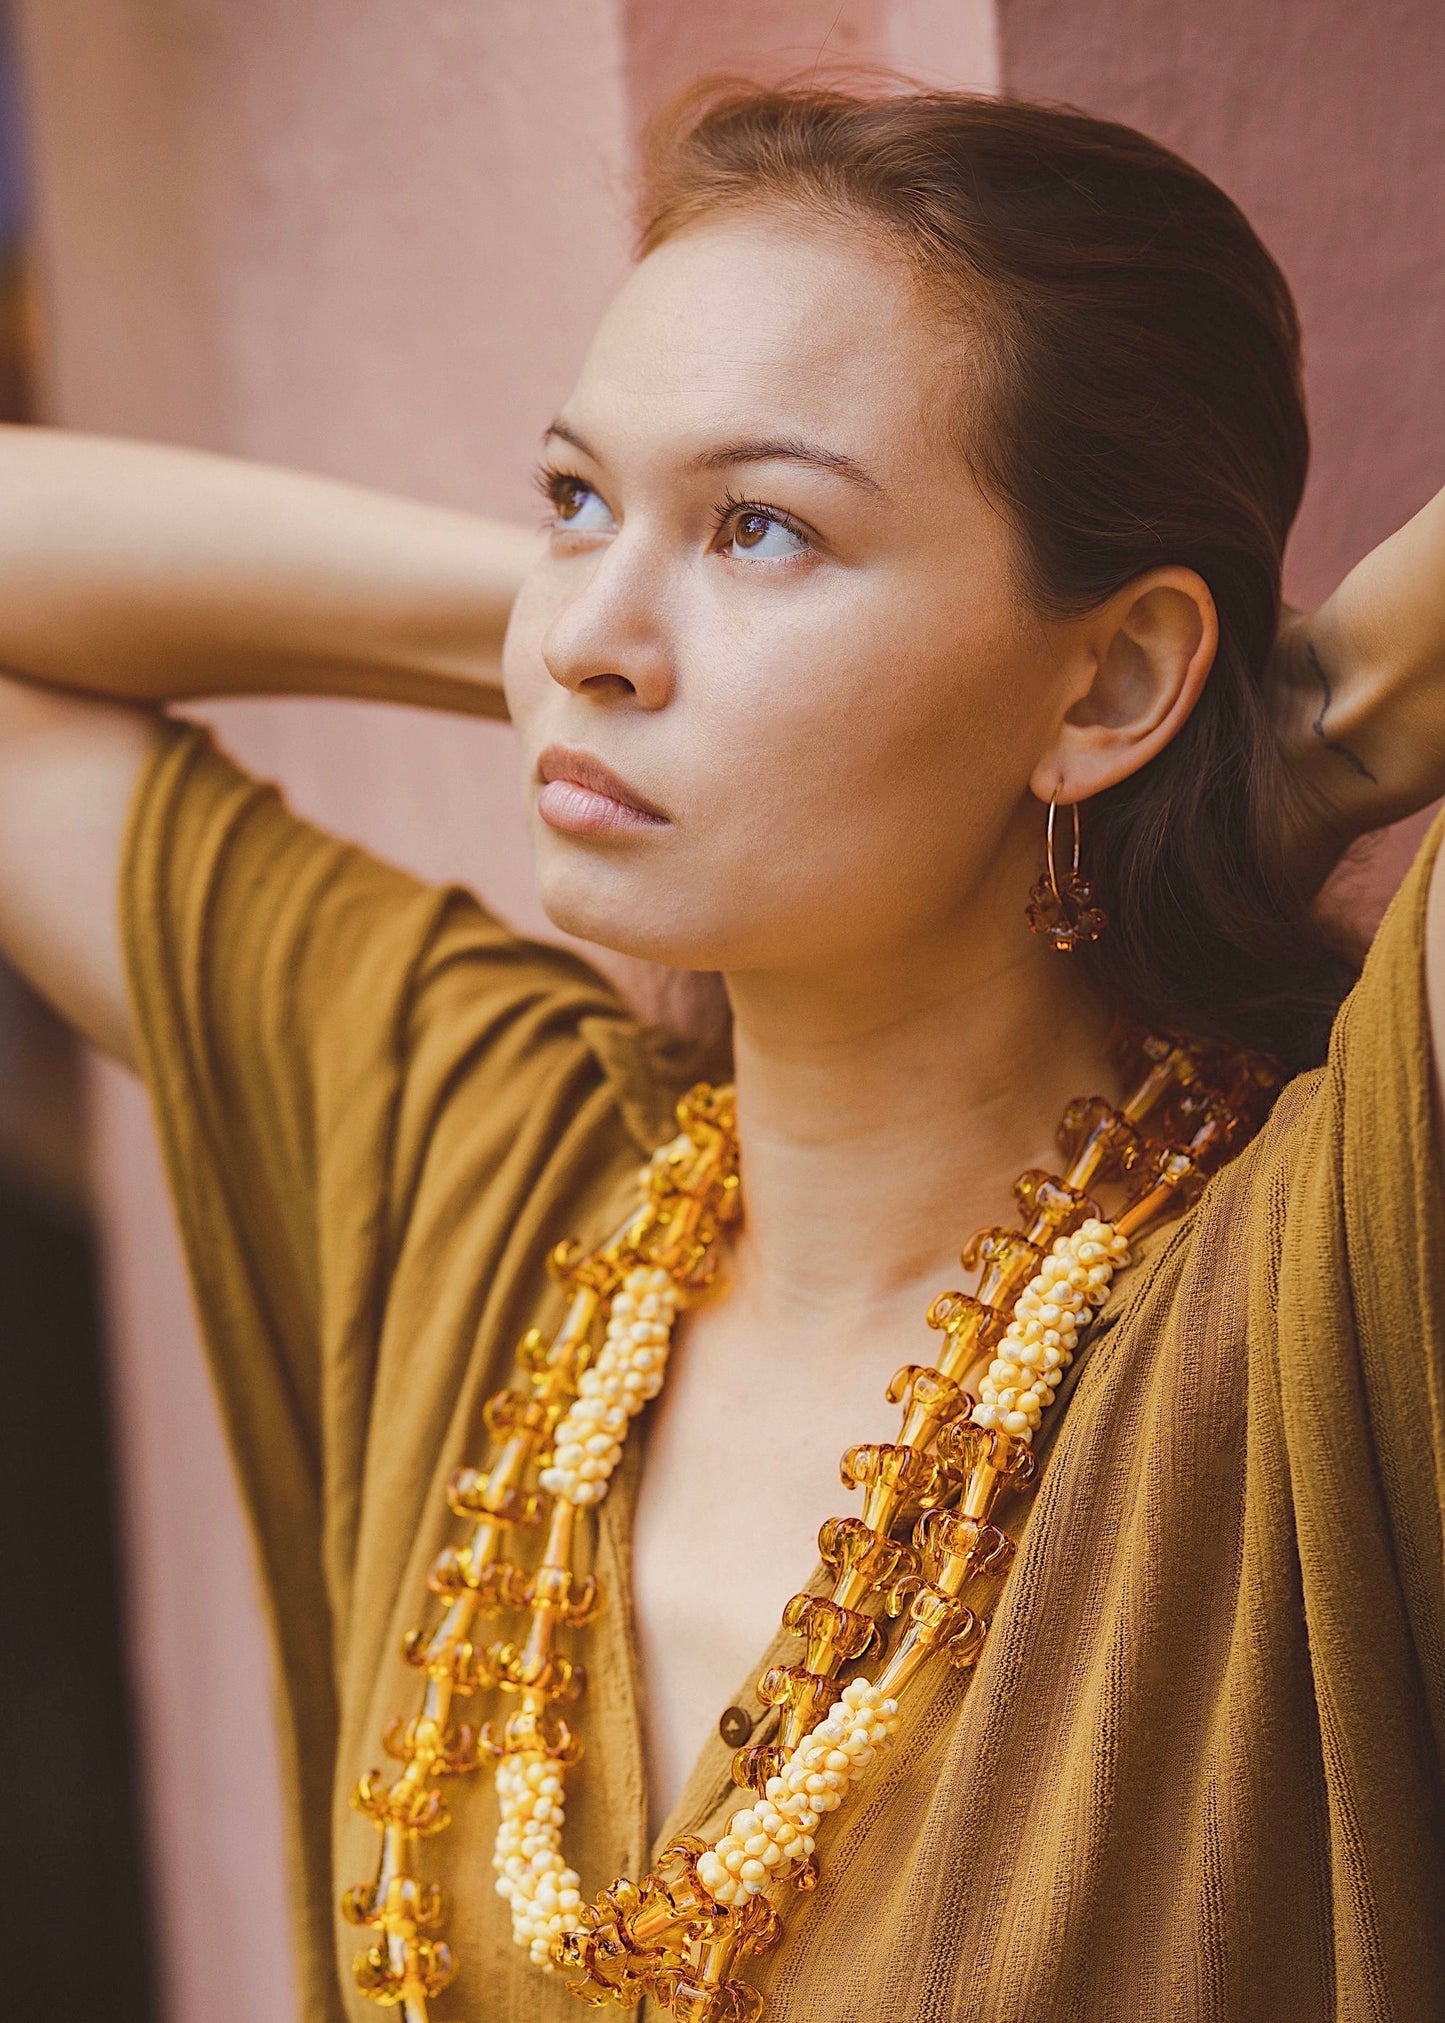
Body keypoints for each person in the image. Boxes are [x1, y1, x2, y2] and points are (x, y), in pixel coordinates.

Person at [0, 81, 1442, 2023]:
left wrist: (1318, 726)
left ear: (1110, 673)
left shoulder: (1316, 1298)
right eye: (573, 496)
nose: (597, 625)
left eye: (767, 526)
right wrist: (575, 630)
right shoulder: (484, 1165)